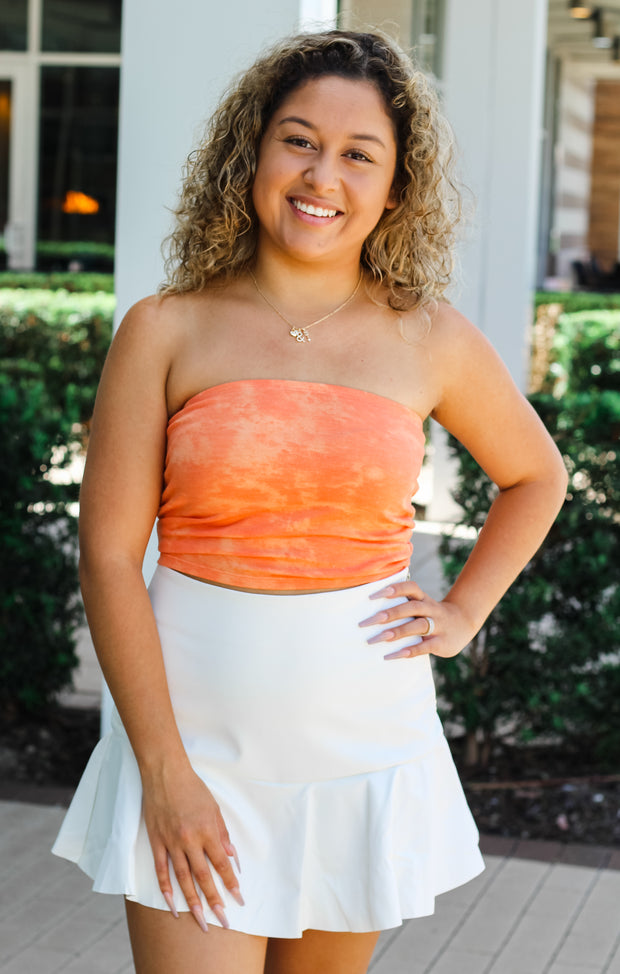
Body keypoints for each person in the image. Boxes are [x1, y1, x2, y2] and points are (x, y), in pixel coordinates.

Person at [52, 29, 567, 974]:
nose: (321, 174)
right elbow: (108, 557)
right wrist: (163, 770)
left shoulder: (430, 338)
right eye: (298, 139)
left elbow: (538, 476)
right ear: (252, 152)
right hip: (193, 744)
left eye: (358, 154)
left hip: (363, 745)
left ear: (395, 188)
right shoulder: (166, 328)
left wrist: (461, 612)